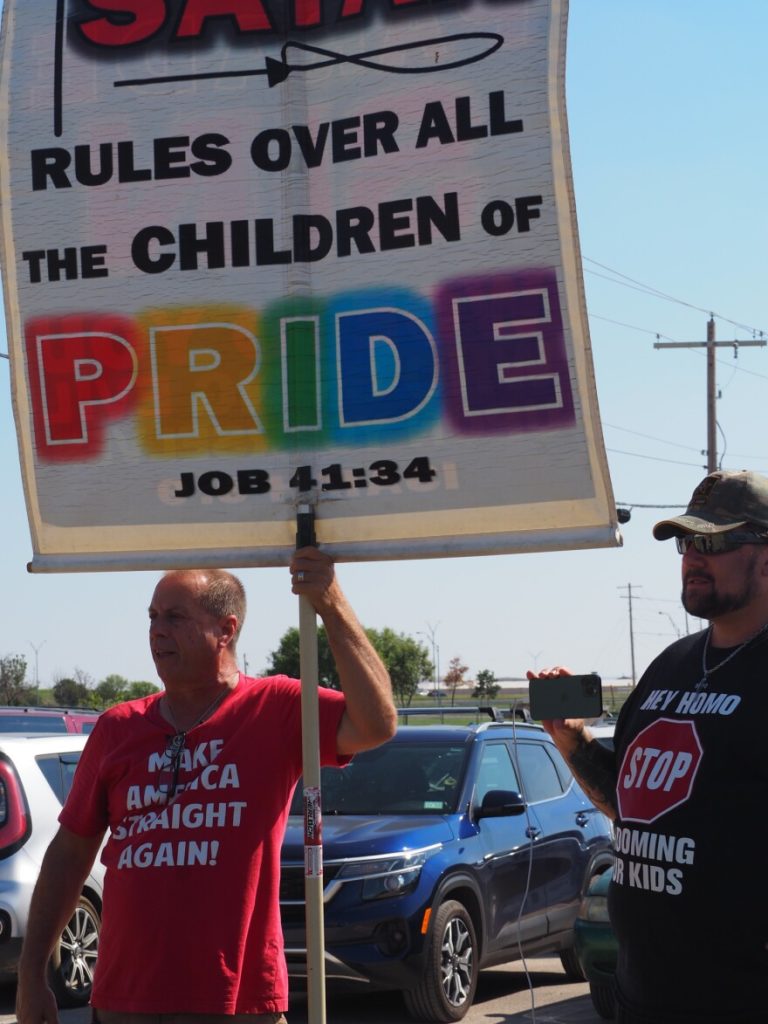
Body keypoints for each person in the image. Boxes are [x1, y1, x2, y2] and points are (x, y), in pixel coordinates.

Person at [16, 547, 397, 1024]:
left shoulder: (274, 707)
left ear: (226, 629)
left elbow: (376, 724)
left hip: (238, 1003)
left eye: (175, 617)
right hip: (124, 1005)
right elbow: (69, 854)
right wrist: (32, 976)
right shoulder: (117, 727)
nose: (157, 630)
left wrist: (330, 601)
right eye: (152, 617)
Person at [529, 469, 768, 1024]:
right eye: (687, 542)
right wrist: (573, 742)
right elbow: (630, 802)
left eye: (715, 541)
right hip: (642, 995)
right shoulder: (670, 667)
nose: (693, 557)